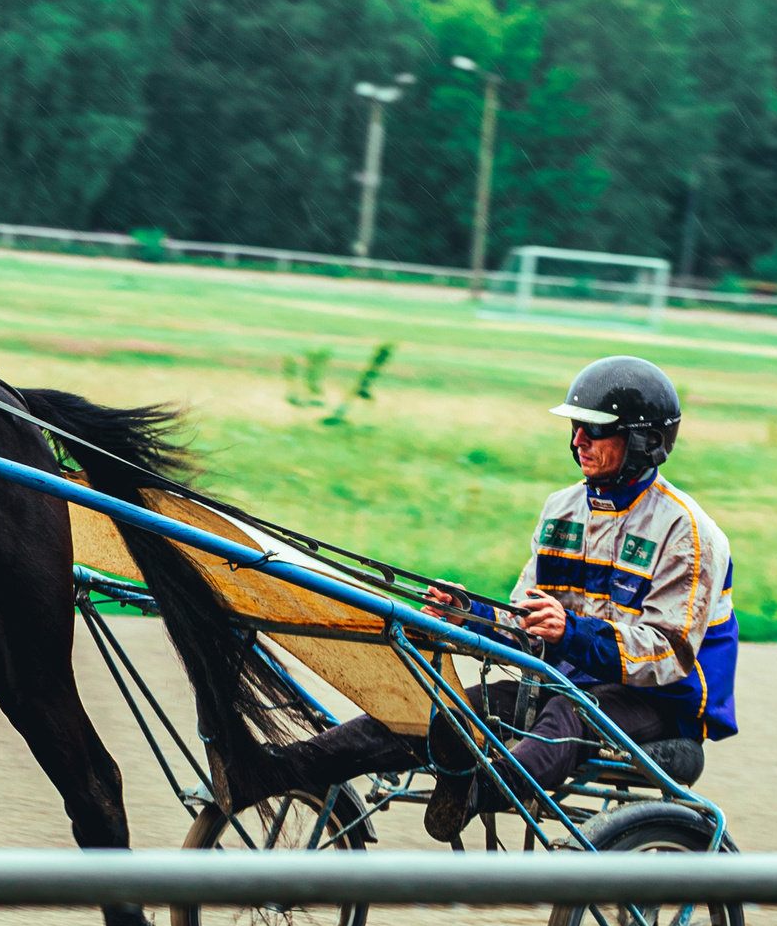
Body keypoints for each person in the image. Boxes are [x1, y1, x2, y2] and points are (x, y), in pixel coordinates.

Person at [259, 355, 739, 841]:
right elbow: (525, 625)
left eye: (595, 430)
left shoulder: (687, 532)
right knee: (444, 708)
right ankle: (280, 767)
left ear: (645, 442)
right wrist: (469, 614)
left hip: (658, 703)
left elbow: (668, 653)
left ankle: (477, 789)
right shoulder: (562, 510)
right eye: (575, 428)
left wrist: (570, 633)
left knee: (569, 713)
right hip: (564, 683)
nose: (578, 441)